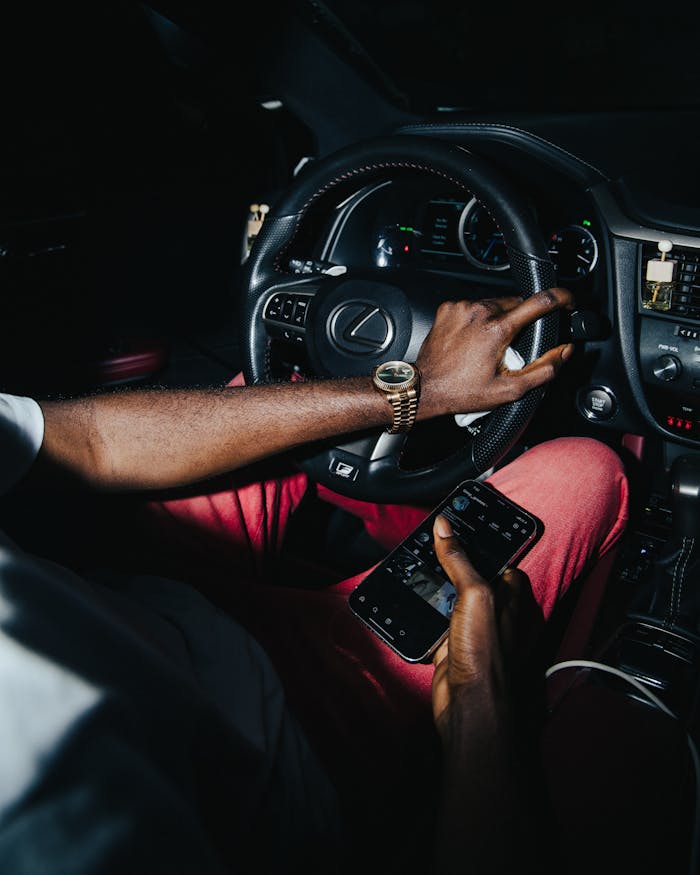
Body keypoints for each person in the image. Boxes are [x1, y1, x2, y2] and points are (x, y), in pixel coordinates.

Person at [0, 290, 630, 873]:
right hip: (275, 743)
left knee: (274, 382)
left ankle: (389, 513)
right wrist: (481, 699)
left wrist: (420, 390)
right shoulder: (48, 824)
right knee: (591, 470)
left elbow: (90, 442)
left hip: (129, 605)